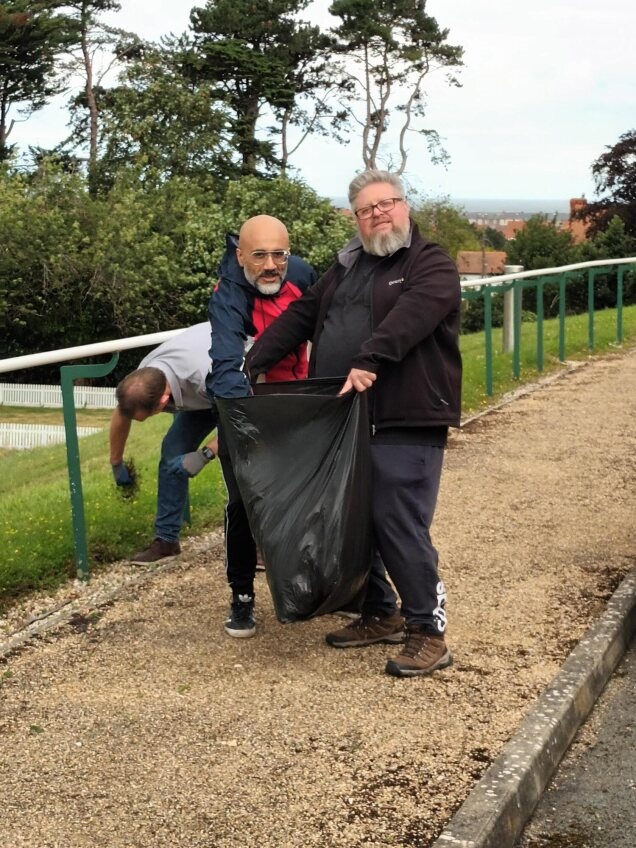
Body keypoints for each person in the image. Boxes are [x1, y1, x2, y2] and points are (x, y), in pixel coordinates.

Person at [245, 170, 462, 678]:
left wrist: (370, 359)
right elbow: (302, 316)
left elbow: (411, 316)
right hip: (347, 416)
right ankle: (380, 610)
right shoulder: (347, 267)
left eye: (387, 203)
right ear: (356, 218)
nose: (378, 214)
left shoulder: (430, 263)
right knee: (355, 518)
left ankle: (428, 631)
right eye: (367, 209)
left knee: (398, 519)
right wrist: (251, 362)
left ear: (404, 207)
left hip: (406, 413)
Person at [206, 215, 314, 639]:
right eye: (259, 255)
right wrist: (243, 420)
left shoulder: (302, 274)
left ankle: (310, 585)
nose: (270, 265)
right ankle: (242, 595)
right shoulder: (228, 293)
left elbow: (324, 325)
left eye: (278, 254)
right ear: (240, 256)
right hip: (242, 406)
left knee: (304, 496)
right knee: (244, 504)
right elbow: (226, 358)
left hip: (294, 402)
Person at [110, 322, 219, 564]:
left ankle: (261, 545)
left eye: (148, 416)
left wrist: (205, 454)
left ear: (163, 402)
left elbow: (243, 418)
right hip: (202, 395)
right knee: (172, 452)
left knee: (243, 464)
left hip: (244, 386)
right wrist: (116, 462)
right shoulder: (143, 377)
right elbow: (121, 414)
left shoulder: (204, 374)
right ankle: (167, 540)